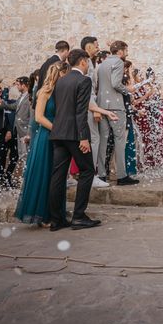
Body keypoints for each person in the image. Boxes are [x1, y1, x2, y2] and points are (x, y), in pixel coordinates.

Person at [48, 49, 101, 231]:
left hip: (57, 132)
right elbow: (80, 112)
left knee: (58, 175)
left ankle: (56, 220)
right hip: (74, 134)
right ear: (83, 62)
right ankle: (79, 216)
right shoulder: (83, 80)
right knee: (87, 171)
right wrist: (84, 138)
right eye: (87, 62)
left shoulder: (61, 80)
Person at [14, 62, 69, 224]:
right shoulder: (44, 92)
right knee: (44, 173)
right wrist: (56, 129)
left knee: (56, 175)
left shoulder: (60, 92)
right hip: (45, 136)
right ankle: (41, 214)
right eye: (65, 75)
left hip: (57, 134)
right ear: (59, 74)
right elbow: (38, 117)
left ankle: (55, 212)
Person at [96, 41, 138, 186]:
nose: (127, 53)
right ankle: (121, 175)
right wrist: (128, 90)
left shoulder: (102, 64)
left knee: (103, 140)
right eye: (126, 50)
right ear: (120, 51)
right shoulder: (119, 63)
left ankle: (101, 174)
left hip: (102, 105)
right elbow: (115, 83)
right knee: (120, 141)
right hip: (115, 106)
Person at [80, 36, 109, 188]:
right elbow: (86, 90)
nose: (99, 48)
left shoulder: (91, 62)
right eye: (97, 45)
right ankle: (91, 175)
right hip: (88, 106)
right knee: (94, 139)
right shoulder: (86, 64)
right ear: (89, 46)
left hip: (90, 104)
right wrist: (95, 109)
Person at [35, 40, 70, 107]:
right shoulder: (57, 64)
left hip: (42, 99)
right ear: (65, 51)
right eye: (68, 52)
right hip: (49, 101)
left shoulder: (47, 62)